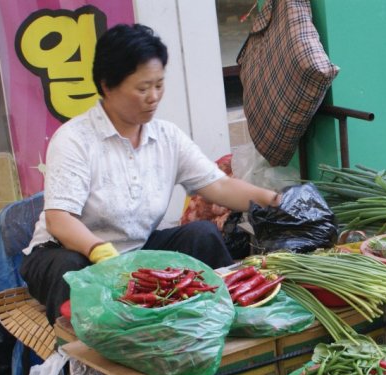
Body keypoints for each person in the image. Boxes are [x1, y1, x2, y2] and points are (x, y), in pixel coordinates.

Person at [21, 23, 281, 324]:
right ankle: (81, 361)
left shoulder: (166, 137)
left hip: (136, 252)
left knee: (203, 235)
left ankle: (229, 322)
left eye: (159, 85)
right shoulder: (75, 140)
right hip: (66, 253)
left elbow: (220, 186)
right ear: (107, 86)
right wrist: (99, 252)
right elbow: (59, 220)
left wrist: (276, 200)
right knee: (71, 268)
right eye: (142, 88)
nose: (153, 96)